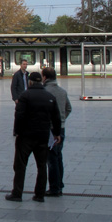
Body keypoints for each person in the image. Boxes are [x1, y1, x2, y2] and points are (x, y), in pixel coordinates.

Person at [5, 71, 61, 202]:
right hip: (43, 135)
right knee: (42, 166)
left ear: (30, 82)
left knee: (20, 165)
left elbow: (19, 116)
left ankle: (17, 193)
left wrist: (17, 132)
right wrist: (57, 133)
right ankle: (39, 195)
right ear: (41, 81)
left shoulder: (25, 96)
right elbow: (56, 118)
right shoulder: (50, 96)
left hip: (25, 136)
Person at [42, 66, 71, 196]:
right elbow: (68, 108)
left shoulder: (45, 91)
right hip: (62, 128)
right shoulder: (62, 91)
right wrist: (62, 119)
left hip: (50, 129)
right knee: (59, 157)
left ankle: (54, 188)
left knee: (51, 159)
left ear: (45, 77)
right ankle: (59, 184)